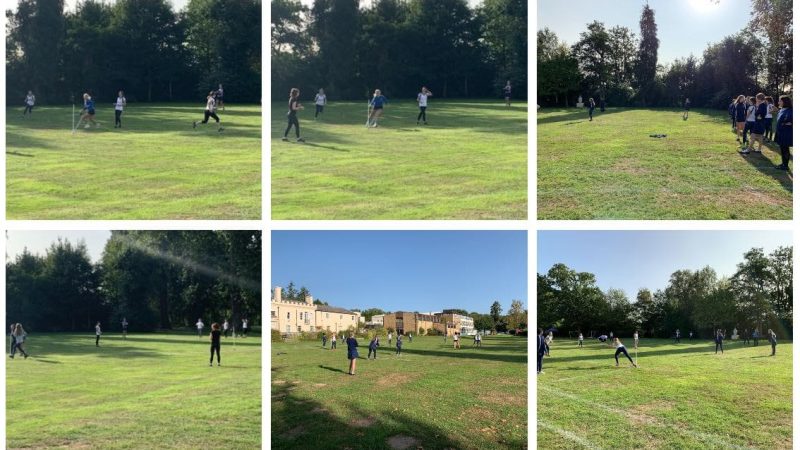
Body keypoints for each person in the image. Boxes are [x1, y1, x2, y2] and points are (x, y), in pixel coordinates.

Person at [774, 95, 792, 171]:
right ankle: (783, 163)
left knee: (785, 149)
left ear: (785, 102)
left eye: (780, 101)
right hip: (780, 132)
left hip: (786, 133)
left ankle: (785, 166)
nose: (778, 102)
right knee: (782, 148)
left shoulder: (790, 110)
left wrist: (787, 123)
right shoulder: (782, 109)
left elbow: (791, 121)